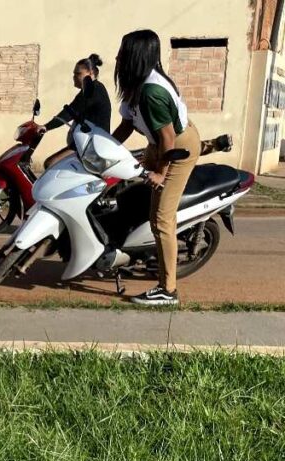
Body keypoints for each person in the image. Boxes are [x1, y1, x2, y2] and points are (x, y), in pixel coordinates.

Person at [111, 29, 200, 307]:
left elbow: (168, 139)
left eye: (123, 52)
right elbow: (127, 125)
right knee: (130, 188)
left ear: (136, 56)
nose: (118, 57)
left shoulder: (151, 92)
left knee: (161, 219)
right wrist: (103, 148)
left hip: (176, 150)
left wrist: (161, 173)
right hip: (158, 144)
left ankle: (168, 290)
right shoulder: (137, 85)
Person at [40, 54, 112, 169]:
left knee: (51, 164)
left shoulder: (93, 90)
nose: (74, 77)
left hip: (92, 147)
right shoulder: (90, 89)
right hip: (85, 144)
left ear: (91, 73)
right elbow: (71, 109)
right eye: (74, 74)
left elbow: (70, 112)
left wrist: (46, 127)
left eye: (78, 74)